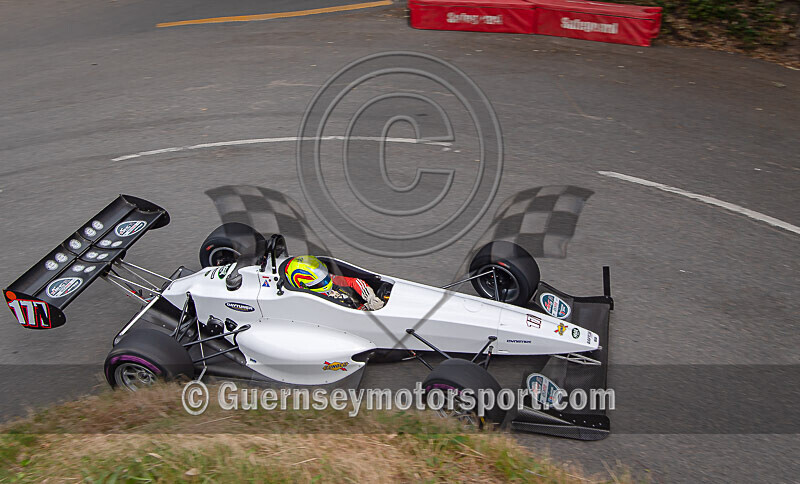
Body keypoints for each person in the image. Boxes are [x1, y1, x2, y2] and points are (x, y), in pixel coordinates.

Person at [284, 255, 385, 311]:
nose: (327, 283)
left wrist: (371, 297)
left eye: (326, 278)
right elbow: (345, 317)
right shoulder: (313, 303)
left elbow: (354, 282)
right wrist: (365, 309)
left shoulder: (322, 278)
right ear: (303, 286)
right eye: (320, 283)